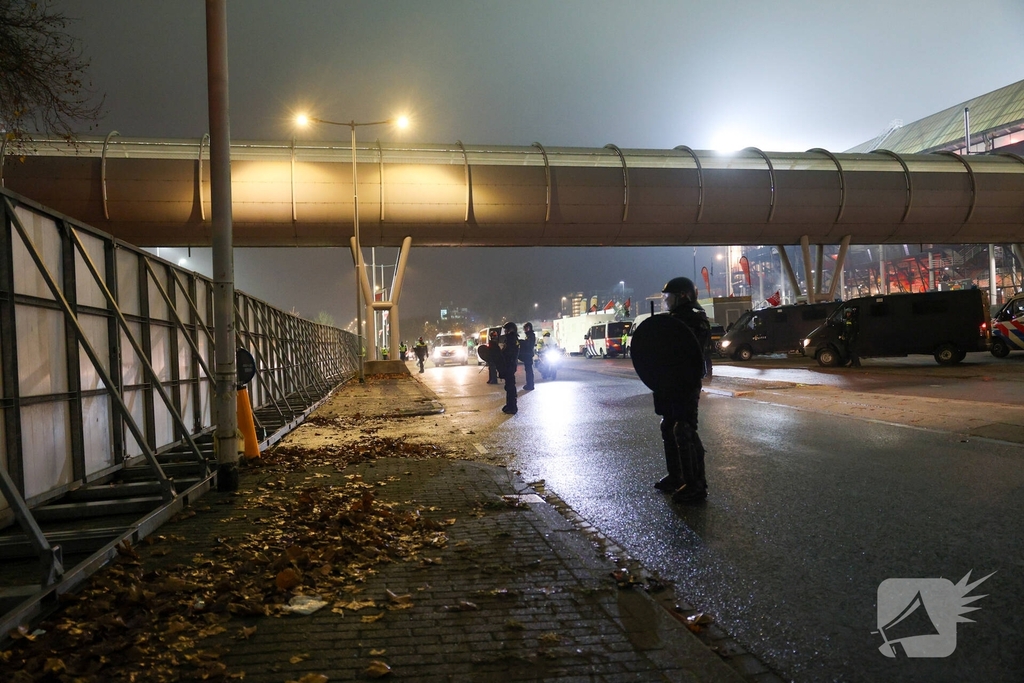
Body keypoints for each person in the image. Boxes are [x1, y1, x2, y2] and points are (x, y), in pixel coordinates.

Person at [654, 276, 712, 504]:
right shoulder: (675, 319)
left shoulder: (696, 320)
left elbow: (688, 352)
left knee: (684, 429)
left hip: (686, 382)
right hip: (670, 382)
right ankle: (677, 476)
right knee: (668, 425)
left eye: (669, 297)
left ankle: (696, 485)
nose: (666, 301)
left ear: (683, 297)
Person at [500, 321, 519, 414]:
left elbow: (509, 353)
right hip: (509, 365)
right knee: (508, 386)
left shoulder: (511, 339)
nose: (505, 331)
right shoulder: (511, 339)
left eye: (506, 330)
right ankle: (509, 405)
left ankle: (513, 406)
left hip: (510, 365)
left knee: (510, 386)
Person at [521, 322, 536, 390]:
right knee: (528, 370)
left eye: (525, 328)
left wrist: (522, 342)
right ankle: (529, 384)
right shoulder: (529, 335)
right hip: (528, 354)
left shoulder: (531, 335)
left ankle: (530, 385)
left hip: (528, 354)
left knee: (529, 370)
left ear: (529, 328)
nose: (524, 330)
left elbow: (529, 345)